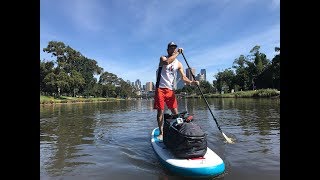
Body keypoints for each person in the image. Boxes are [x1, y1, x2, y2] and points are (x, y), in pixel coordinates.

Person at [154, 41, 199, 140]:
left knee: (175, 111)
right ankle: (161, 132)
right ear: (168, 50)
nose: (173, 49)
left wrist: (192, 82)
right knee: (160, 111)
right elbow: (166, 62)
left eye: (175, 48)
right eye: (171, 48)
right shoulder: (163, 58)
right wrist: (178, 53)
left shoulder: (179, 64)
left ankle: (180, 129)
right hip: (160, 88)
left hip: (170, 89)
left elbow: (183, 78)